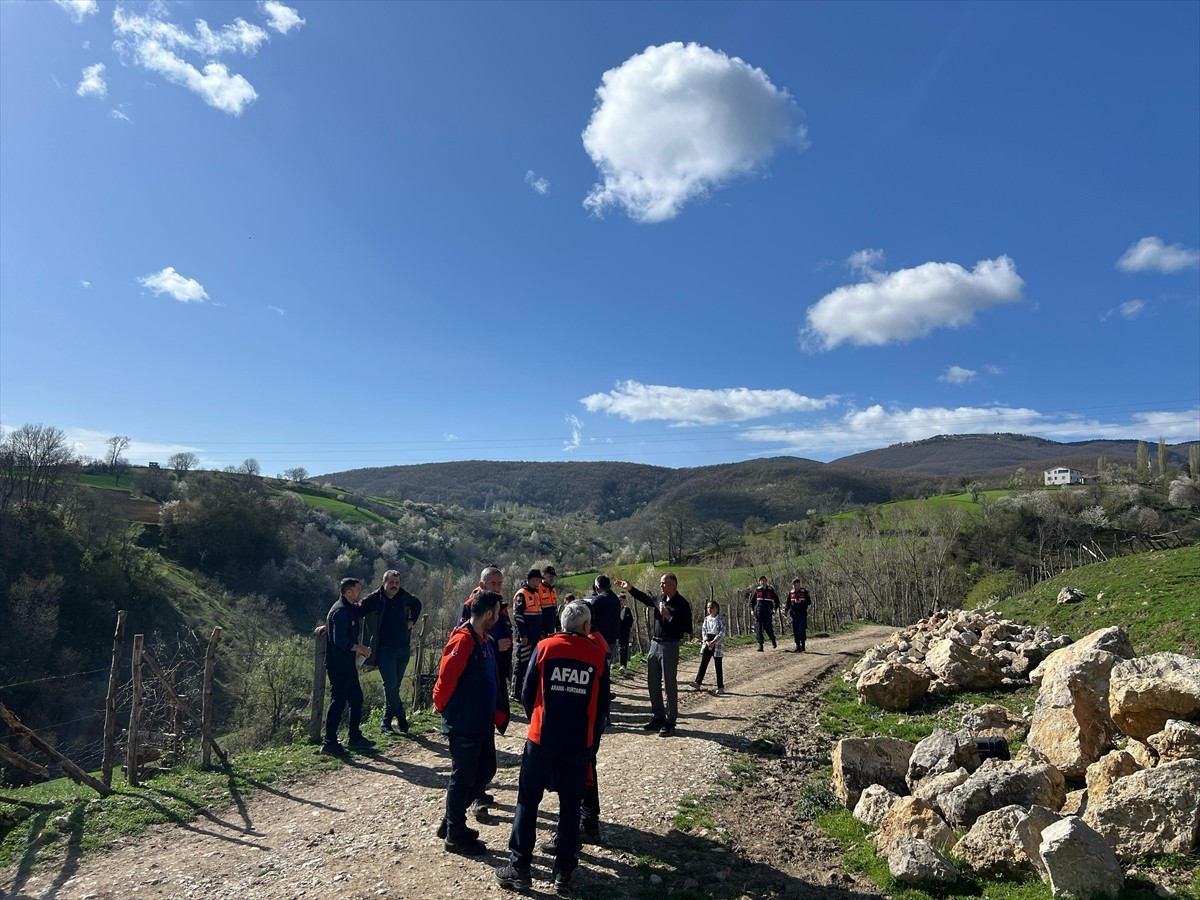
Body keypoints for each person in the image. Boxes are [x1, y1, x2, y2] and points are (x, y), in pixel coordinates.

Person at [495, 600, 609, 895]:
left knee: (527, 801)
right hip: (578, 742)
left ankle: (520, 868)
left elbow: (526, 692)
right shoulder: (597, 655)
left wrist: (537, 716)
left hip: (541, 738)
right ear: (586, 626)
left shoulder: (544, 648)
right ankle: (563, 873)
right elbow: (602, 705)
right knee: (570, 806)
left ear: (561, 624)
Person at [432, 590, 509, 855]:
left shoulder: (485, 640)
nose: (499, 617)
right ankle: (455, 835)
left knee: (486, 770)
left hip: (482, 720)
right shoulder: (463, 640)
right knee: (463, 777)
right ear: (488, 614)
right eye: (497, 613)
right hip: (464, 722)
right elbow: (446, 679)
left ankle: (451, 820)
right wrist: (440, 706)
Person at [614, 574, 691, 737]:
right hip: (655, 644)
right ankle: (658, 717)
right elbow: (646, 599)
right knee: (653, 682)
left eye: (664, 583)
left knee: (669, 684)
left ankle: (670, 722)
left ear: (673, 585)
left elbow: (687, 628)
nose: (661, 586)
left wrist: (669, 617)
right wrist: (630, 588)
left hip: (670, 644)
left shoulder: (682, 603)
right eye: (661, 583)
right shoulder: (660, 599)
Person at [359, 570, 422, 735]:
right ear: (383, 582)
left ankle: (386, 723)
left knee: (394, 687)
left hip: (403, 648)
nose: (394, 586)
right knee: (390, 686)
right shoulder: (375, 599)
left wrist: (411, 621)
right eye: (391, 582)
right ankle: (401, 716)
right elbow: (356, 610)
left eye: (397, 583)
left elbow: (417, 604)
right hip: (384, 650)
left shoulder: (403, 596)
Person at [321, 577, 374, 755]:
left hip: (347, 664)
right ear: (349, 592)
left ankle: (354, 737)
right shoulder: (340, 611)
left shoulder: (348, 609)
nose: (360, 592)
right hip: (338, 664)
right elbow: (340, 640)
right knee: (338, 702)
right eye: (357, 589)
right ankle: (329, 742)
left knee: (356, 698)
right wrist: (360, 648)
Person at [510, 568, 544, 700]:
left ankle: (526, 690)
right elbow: (518, 616)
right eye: (538, 580)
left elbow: (538, 616)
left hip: (535, 636)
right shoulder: (522, 594)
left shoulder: (535, 593)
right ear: (532, 579)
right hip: (526, 637)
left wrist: (540, 633)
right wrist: (523, 635)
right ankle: (515, 692)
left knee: (532, 663)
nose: (539, 583)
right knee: (521, 663)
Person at [691, 600, 726, 694]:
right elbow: (704, 630)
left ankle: (720, 687)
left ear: (716, 609)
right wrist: (706, 641)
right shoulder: (706, 619)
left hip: (717, 643)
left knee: (718, 665)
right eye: (708, 607)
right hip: (707, 641)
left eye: (711, 607)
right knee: (703, 663)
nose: (709, 609)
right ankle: (698, 682)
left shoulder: (720, 620)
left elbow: (722, 632)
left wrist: (714, 641)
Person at [749, 575, 779, 651]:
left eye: (764, 580)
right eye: (761, 581)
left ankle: (773, 639)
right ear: (759, 582)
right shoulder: (757, 590)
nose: (763, 582)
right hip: (759, 612)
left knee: (768, 628)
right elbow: (752, 602)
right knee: (758, 628)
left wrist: (774, 609)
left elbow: (777, 601)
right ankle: (760, 645)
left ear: (766, 581)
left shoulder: (770, 590)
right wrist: (752, 610)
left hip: (768, 612)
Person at [786, 578, 813, 652]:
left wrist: (801, 602)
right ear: (792, 585)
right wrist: (786, 610)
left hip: (802, 613)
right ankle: (797, 646)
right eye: (794, 585)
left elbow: (809, 602)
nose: (796, 587)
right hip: (794, 614)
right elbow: (788, 603)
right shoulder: (791, 592)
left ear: (800, 585)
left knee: (802, 629)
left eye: (797, 585)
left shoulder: (804, 591)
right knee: (795, 630)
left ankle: (803, 645)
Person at [539, 565, 560, 636]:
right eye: (550, 576)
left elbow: (555, 608)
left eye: (553, 577)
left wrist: (558, 624)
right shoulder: (538, 588)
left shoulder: (553, 589)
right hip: (542, 626)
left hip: (551, 625)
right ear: (543, 575)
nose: (552, 579)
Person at [616, 593, 634, 676]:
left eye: (623, 600)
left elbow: (631, 620)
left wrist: (628, 627)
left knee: (624, 648)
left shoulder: (627, 610)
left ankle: (623, 666)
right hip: (616, 632)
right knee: (617, 648)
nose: (621, 602)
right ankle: (615, 664)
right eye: (620, 600)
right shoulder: (615, 609)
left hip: (625, 632)